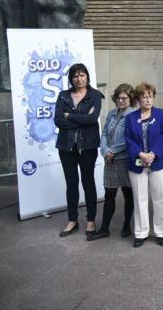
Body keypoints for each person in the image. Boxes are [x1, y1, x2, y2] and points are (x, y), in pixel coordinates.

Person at [53, 63, 103, 238]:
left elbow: (92, 119)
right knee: (71, 183)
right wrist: (81, 118)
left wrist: (70, 115)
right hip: (66, 146)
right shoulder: (63, 96)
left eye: (82, 75)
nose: (79, 79)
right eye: (75, 76)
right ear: (71, 79)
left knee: (88, 182)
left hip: (87, 146)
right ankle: (72, 220)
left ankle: (91, 220)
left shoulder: (95, 96)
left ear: (87, 77)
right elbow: (58, 121)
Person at [125, 82, 163, 247]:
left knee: (159, 199)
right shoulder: (130, 118)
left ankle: (160, 232)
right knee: (140, 199)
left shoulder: (162, 115)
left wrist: (152, 155)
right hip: (137, 163)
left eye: (150, 96)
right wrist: (141, 154)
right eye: (144, 96)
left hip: (158, 163)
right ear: (138, 99)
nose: (147, 99)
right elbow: (128, 139)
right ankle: (141, 233)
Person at [87, 83, 136, 241]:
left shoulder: (133, 115)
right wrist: (104, 150)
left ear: (131, 99)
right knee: (109, 194)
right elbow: (104, 135)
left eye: (124, 98)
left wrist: (112, 151)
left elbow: (129, 139)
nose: (120, 101)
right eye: (118, 98)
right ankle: (104, 229)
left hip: (124, 160)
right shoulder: (111, 114)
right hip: (110, 161)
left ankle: (126, 225)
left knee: (128, 194)